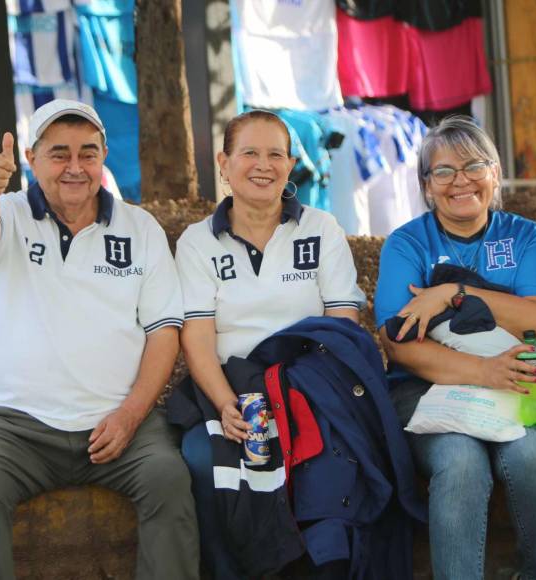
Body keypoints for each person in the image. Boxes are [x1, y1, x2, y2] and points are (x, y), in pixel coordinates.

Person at [0, 99, 198, 579]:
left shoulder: (140, 227)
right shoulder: (10, 213)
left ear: (104, 154)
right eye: (59, 153)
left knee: (168, 479)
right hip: (16, 428)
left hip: (119, 425)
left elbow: (165, 329)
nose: (75, 167)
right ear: (32, 157)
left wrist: (130, 415)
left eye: (88, 153)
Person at [173, 109, 366, 579]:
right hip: (229, 390)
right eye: (250, 153)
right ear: (224, 162)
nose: (264, 165)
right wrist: (224, 404)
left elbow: (342, 323)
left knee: (327, 458)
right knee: (203, 459)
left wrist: (310, 394)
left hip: (310, 386)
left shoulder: (321, 230)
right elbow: (196, 335)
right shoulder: (198, 242)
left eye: (276, 154)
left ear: (290, 162)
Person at [374, 116, 536, 579]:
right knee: (460, 464)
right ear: (426, 185)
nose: (460, 181)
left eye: (474, 166)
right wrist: (484, 371)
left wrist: (454, 294)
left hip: (518, 383)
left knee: (535, 459)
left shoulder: (524, 236)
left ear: (495, 174)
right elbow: (399, 344)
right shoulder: (407, 244)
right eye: (443, 171)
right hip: (425, 386)